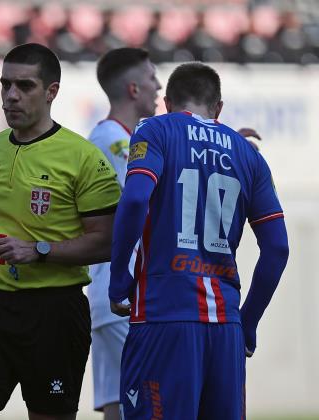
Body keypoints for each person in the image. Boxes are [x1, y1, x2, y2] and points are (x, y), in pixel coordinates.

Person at [0, 43, 122, 420]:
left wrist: (39, 250)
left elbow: (108, 241)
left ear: (51, 91)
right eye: (5, 84)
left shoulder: (82, 156)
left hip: (54, 312)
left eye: (24, 86)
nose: (11, 95)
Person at [109, 62, 289, 419]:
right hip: (225, 327)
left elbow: (135, 199)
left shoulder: (154, 129)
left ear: (168, 103)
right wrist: (248, 322)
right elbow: (278, 248)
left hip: (163, 315)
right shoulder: (248, 153)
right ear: (218, 107)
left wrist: (118, 281)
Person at [85, 48, 161, 420]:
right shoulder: (113, 143)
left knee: (120, 404)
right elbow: (146, 203)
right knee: (150, 403)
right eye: (151, 77)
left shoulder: (118, 138)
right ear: (133, 89)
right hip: (124, 298)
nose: (158, 86)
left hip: (112, 299)